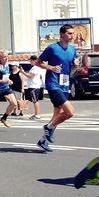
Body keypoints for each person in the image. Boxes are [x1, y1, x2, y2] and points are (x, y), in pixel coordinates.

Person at [34, 24, 76, 153]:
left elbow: (72, 67)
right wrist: (51, 68)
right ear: (62, 34)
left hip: (64, 84)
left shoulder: (72, 49)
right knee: (70, 112)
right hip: (53, 84)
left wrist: (76, 65)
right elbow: (38, 62)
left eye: (72, 33)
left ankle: (43, 141)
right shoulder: (52, 48)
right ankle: (48, 127)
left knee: (57, 115)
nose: (72, 35)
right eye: (69, 33)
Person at [0, 50, 17, 127]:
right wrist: (5, 81)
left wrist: (9, 81)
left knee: (14, 103)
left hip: (6, 88)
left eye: (7, 56)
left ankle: (4, 118)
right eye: (4, 57)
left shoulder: (8, 65)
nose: (6, 58)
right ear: (0, 58)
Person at [20, 55, 45, 120]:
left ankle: (37, 114)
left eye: (31, 61)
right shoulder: (35, 67)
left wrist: (23, 72)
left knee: (35, 100)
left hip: (34, 86)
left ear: (34, 60)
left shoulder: (35, 68)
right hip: (34, 85)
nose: (30, 62)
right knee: (35, 100)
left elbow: (31, 76)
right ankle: (36, 113)